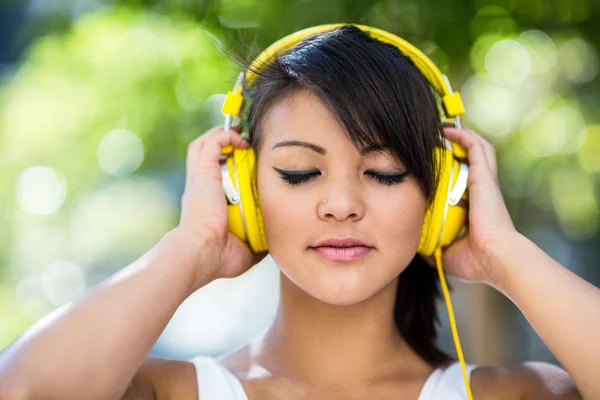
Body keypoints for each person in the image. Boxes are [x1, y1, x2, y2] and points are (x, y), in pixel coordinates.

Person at [0, 24, 595, 400]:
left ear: (441, 199)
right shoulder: (173, 391)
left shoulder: (514, 394)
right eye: (300, 173)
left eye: (384, 173)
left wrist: (504, 255)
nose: (341, 205)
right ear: (245, 188)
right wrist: (191, 249)